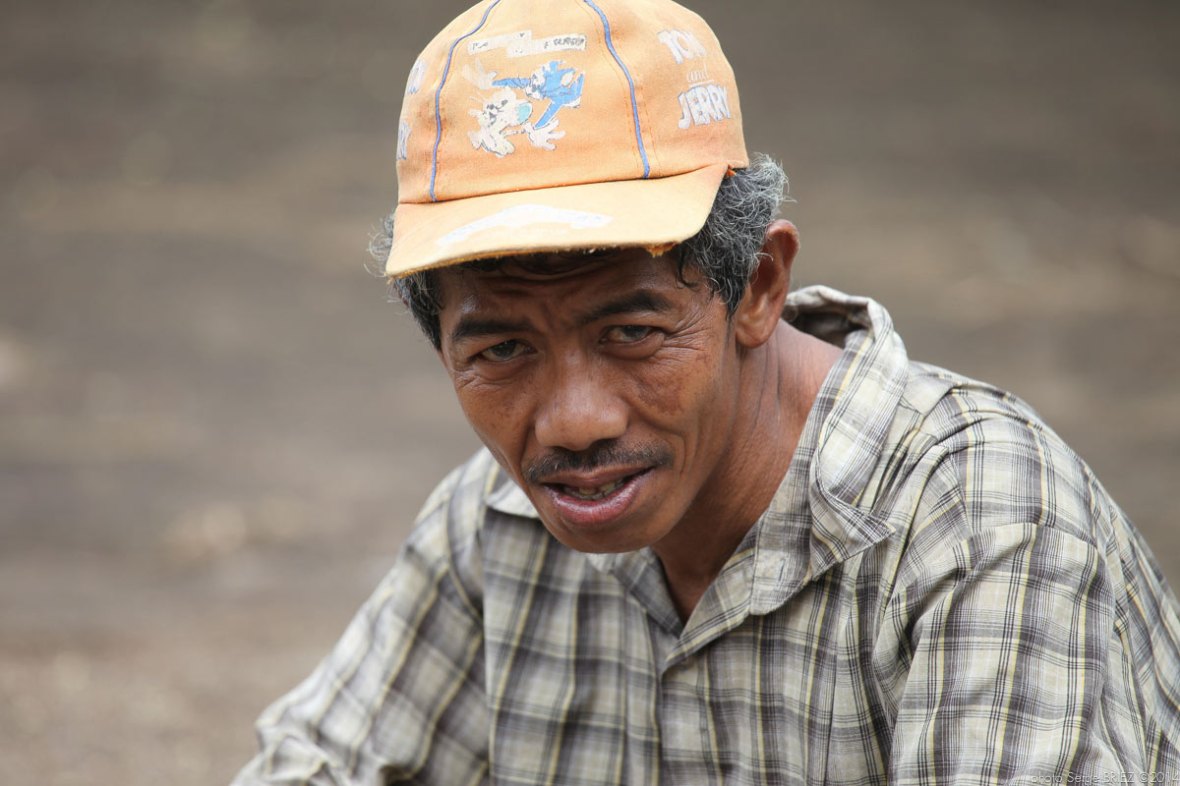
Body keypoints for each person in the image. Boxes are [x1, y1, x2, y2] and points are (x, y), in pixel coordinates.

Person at [233, 0, 1180, 783]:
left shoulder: (983, 530)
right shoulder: (496, 532)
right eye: (502, 348)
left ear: (758, 289)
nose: (574, 422)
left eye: (633, 333)